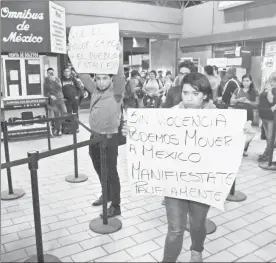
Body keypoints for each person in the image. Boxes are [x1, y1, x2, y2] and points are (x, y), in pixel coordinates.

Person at [78, 42, 124, 218]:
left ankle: (116, 205)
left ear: (111, 79)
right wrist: (77, 52)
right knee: (99, 169)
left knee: (111, 171)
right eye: (98, 78)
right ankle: (106, 194)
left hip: (109, 139)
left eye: (105, 78)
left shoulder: (117, 91)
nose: (101, 81)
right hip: (94, 137)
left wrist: (119, 55)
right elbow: (83, 75)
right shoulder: (94, 90)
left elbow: (120, 75)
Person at [231, 74, 259, 156]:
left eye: (247, 81)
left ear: (251, 81)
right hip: (238, 113)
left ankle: (244, 149)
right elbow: (231, 101)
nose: (245, 82)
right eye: (244, 81)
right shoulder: (238, 90)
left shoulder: (254, 91)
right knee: (237, 130)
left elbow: (258, 104)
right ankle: (236, 148)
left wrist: (249, 102)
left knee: (247, 131)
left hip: (249, 113)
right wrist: (238, 100)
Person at [258, 72, 276, 162]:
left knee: (270, 137)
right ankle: (267, 153)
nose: (272, 82)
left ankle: (267, 155)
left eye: (274, 80)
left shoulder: (273, 89)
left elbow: (271, 100)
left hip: (270, 118)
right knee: (268, 137)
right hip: (264, 116)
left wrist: (269, 90)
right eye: (271, 79)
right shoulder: (267, 86)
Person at [44, 68, 67, 136]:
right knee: (57, 115)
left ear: (54, 73)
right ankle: (59, 130)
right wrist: (50, 95)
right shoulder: (46, 82)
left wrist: (54, 81)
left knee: (64, 113)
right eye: (49, 72)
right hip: (53, 101)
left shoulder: (57, 79)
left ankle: (56, 128)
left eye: (52, 72)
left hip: (60, 99)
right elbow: (45, 93)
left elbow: (60, 87)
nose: (50, 74)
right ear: (47, 73)